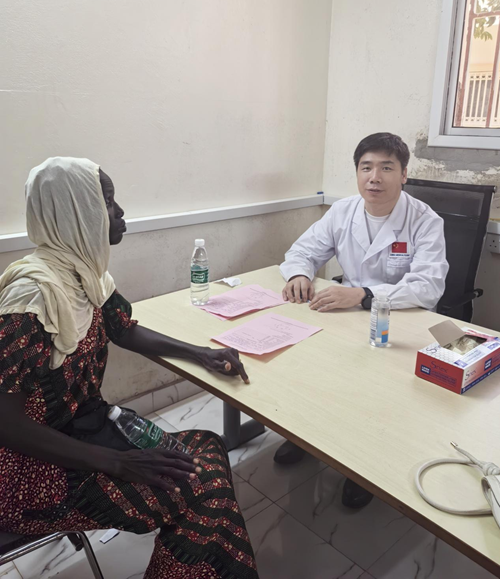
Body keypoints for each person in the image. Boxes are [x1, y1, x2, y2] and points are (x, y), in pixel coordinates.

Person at [0, 158, 258, 579]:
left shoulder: (85, 273)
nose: (119, 213)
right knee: (202, 488)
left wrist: (201, 353)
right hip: (31, 472)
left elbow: (124, 330)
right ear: (75, 213)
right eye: (107, 202)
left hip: (83, 432)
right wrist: (114, 463)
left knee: (208, 447)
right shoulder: (31, 300)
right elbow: (5, 424)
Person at [275, 133, 449, 509]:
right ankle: (304, 434)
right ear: (357, 172)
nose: (375, 177)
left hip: (400, 318)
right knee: (314, 374)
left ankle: (363, 471)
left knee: (374, 399)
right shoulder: (342, 211)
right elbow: (303, 250)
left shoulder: (424, 220)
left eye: (386, 167)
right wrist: (299, 274)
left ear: (404, 174)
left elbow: (428, 286)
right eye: (366, 167)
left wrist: (366, 295)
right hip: (347, 314)